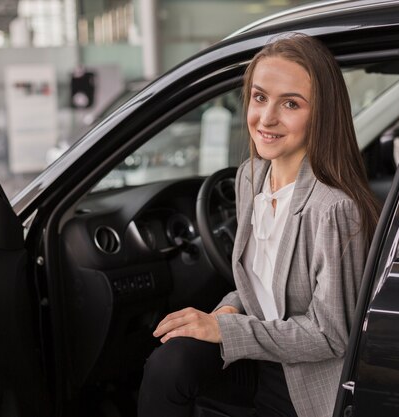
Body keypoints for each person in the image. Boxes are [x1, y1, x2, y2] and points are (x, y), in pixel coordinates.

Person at [138, 34, 380, 417]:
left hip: (302, 382)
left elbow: (330, 335)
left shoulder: (332, 208)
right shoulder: (250, 176)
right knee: (170, 362)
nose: (267, 118)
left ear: (321, 113)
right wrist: (230, 310)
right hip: (257, 356)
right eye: (260, 97)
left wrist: (226, 331)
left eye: (290, 104)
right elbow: (258, 284)